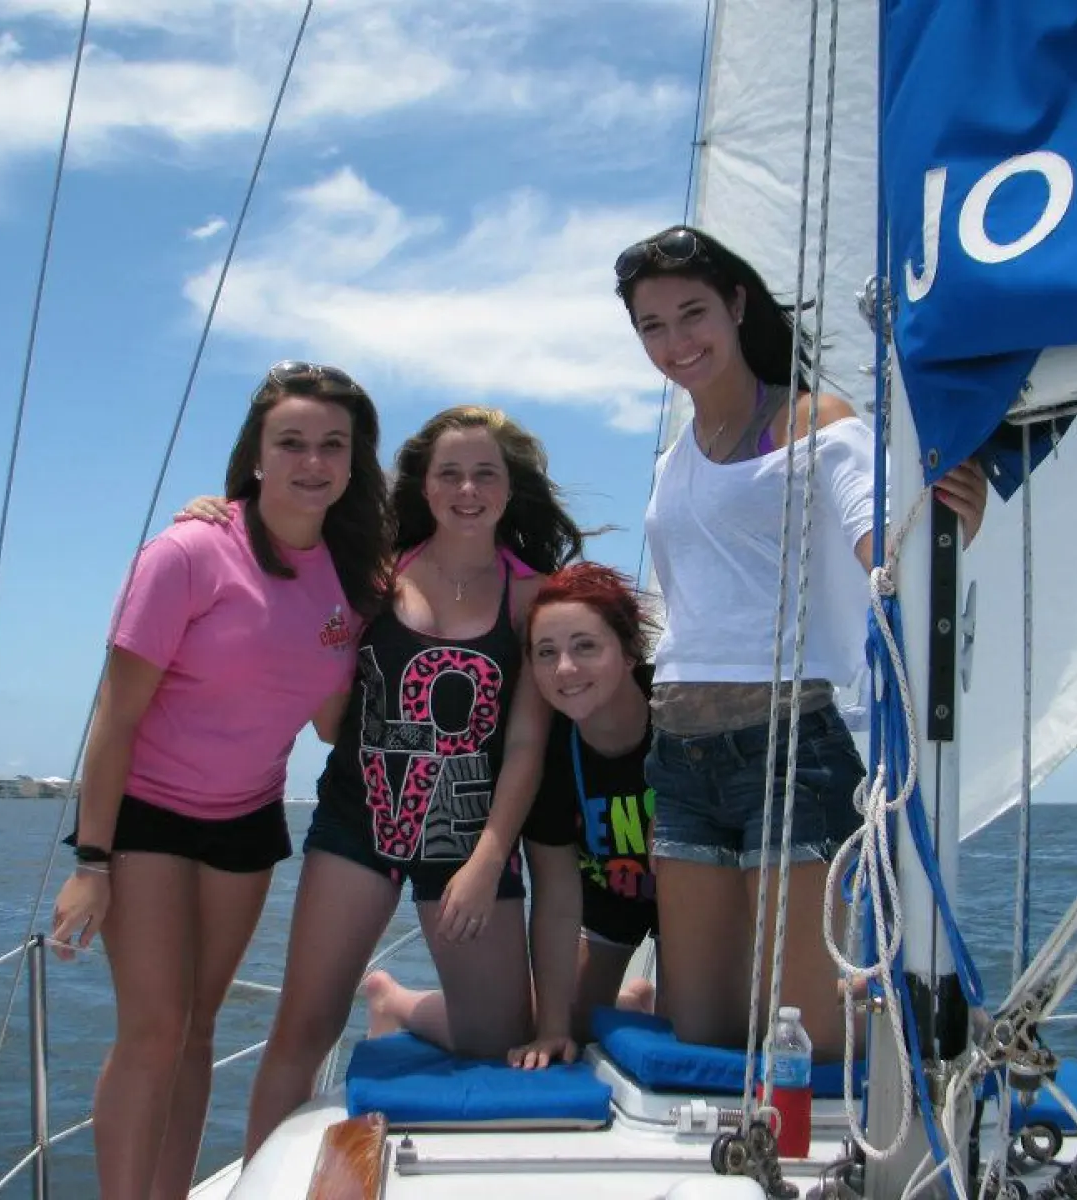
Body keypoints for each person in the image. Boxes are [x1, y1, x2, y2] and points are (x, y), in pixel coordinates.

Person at [614, 225, 988, 1061]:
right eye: (652, 326)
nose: (676, 341)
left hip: (791, 750)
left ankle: (916, 1022)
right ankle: (849, 992)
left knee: (805, 1039)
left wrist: (946, 529)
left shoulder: (816, 423)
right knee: (702, 1029)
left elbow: (882, 548)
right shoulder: (676, 458)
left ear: (737, 305)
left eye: (693, 313)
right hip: (679, 757)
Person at [176, 406, 584, 1158]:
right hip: (357, 827)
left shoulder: (531, 598)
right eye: (450, 474)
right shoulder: (371, 575)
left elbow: (527, 743)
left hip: (467, 840)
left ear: (509, 487)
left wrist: (489, 859)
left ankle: (399, 1003)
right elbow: (282, 582)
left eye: (485, 474)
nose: (467, 489)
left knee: (501, 1042)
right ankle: (257, 1177)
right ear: (423, 486)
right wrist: (222, 518)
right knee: (303, 1029)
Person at [50, 362, 392, 1200]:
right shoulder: (189, 552)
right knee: (154, 1030)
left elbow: (327, 723)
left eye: (332, 446)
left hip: (246, 818)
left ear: (353, 462)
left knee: (198, 1028)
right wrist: (91, 862)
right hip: (146, 815)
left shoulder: (353, 580)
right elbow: (114, 717)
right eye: (291, 442)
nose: (312, 461)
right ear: (255, 456)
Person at [363, 562, 661, 1066]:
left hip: (685, 896)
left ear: (629, 651)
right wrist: (552, 1031)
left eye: (586, 646)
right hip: (606, 899)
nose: (565, 668)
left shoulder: (676, 718)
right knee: (540, 1028)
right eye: (546, 653)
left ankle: (631, 1004)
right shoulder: (551, 754)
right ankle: (396, 1002)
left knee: (699, 1028)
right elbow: (558, 899)